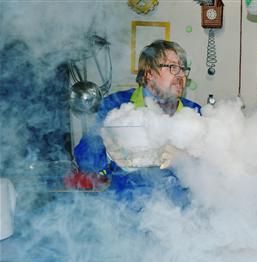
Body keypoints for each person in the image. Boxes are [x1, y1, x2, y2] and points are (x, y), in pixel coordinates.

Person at [72, 40, 201, 205]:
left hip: (179, 217)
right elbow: (84, 159)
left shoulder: (194, 112)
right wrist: (109, 154)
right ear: (149, 73)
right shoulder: (114, 105)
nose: (181, 75)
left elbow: (219, 168)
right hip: (126, 216)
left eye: (183, 69)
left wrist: (187, 160)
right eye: (173, 67)